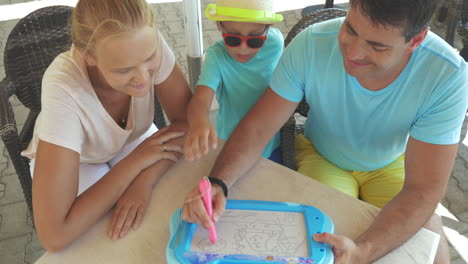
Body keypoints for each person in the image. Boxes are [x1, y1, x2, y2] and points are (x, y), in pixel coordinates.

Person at [182, 0, 468, 263]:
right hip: (323, 157)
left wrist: (364, 251)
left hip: (393, 164)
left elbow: (423, 189)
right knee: (319, 247)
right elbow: (258, 127)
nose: (353, 53)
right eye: (350, 29)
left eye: (377, 46)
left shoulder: (447, 76)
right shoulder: (312, 43)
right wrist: (219, 182)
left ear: (416, 40)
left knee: (430, 251)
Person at [21, 0, 191, 252]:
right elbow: (54, 235)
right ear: (88, 56)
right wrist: (135, 163)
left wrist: (143, 181)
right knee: (114, 237)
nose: (144, 78)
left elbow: (189, 123)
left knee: (167, 205)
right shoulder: (63, 87)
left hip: (131, 141)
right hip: (80, 161)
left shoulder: (146, 42)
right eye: (124, 70)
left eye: (149, 58)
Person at [183, 0, 284, 163]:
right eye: (233, 39)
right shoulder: (216, 56)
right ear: (219, 26)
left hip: (270, 141)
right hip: (231, 143)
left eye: (254, 40)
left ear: (269, 28)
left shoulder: (276, 43)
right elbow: (201, 98)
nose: (243, 49)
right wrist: (199, 122)